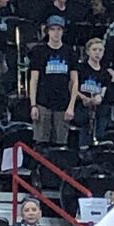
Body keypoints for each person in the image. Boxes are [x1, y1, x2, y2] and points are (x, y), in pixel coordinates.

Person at [28, 15, 78, 147]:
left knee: (60, 143)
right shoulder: (39, 51)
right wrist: (33, 105)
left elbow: (74, 82)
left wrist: (71, 106)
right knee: (41, 143)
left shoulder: (69, 52)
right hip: (43, 102)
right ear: (48, 31)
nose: (56, 32)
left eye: (59, 29)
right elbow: (34, 80)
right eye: (53, 29)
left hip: (63, 103)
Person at [76, 38, 114, 150]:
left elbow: (104, 90)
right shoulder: (80, 68)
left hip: (98, 107)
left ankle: (99, 141)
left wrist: (100, 97)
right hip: (81, 105)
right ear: (88, 51)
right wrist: (83, 97)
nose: (97, 52)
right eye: (94, 50)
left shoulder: (105, 73)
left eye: (100, 50)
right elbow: (72, 87)